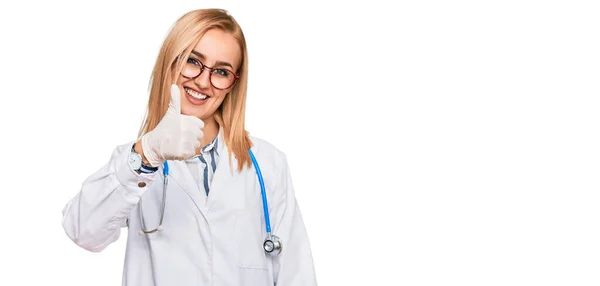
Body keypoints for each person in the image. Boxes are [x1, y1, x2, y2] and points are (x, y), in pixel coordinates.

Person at [61, 8, 317, 286]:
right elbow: (82, 231)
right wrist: (147, 153)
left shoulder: (267, 164)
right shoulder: (136, 162)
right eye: (193, 61)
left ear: (233, 84)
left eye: (221, 71)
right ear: (170, 61)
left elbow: (297, 275)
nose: (203, 81)